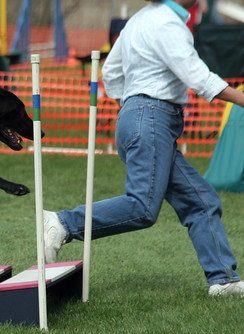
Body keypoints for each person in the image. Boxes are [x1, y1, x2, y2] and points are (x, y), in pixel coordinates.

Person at [43, 0, 244, 296]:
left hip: (138, 117)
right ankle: (63, 223)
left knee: (201, 202)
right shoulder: (167, 24)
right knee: (142, 206)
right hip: (151, 119)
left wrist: (131, 107)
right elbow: (196, 76)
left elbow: (110, 72)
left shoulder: (138, 20)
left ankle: (223, 280)